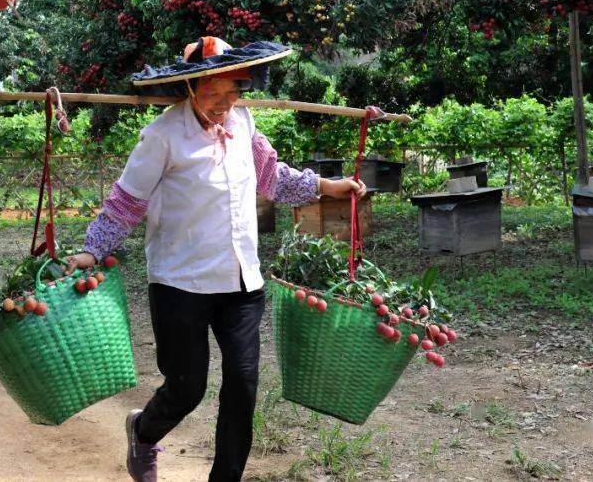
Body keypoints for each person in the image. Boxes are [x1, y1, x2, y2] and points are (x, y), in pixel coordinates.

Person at [65, 37, 367, 482]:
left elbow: (272, 179)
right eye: (213, 94)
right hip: (179, 283)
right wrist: (93, 249)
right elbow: (127, 201)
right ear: (189, 88)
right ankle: (144, 431)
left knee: (243, 386)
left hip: (242, 284)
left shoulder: (244, 122)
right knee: (187, 388)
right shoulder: (163, 136)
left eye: (233, 92)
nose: (225, 104)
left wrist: (327, 186)